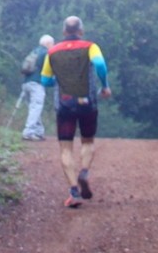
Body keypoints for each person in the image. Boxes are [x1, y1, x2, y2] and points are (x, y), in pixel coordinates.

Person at [41, 16, 112, 208]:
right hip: (87, 102)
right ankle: (85, 172)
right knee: (87, 141)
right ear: (81, 31)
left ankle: (73, 191)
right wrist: (105, 86)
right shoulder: (90, 47)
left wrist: (60, 81)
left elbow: (45, 81)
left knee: (66, 147)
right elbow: (100, 65)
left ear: (64, 31)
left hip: (64, 104)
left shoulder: (52, 52)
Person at [18, 35, 55, 141]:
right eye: (52, 43)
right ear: (48, 44)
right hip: (37, 83)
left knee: (33, 107)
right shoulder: (46, 53)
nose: (53, 45)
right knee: (36, 107)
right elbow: (50, 68)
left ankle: (38, 132)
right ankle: (28, 132)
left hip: (26, 83)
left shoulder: (34, 51)